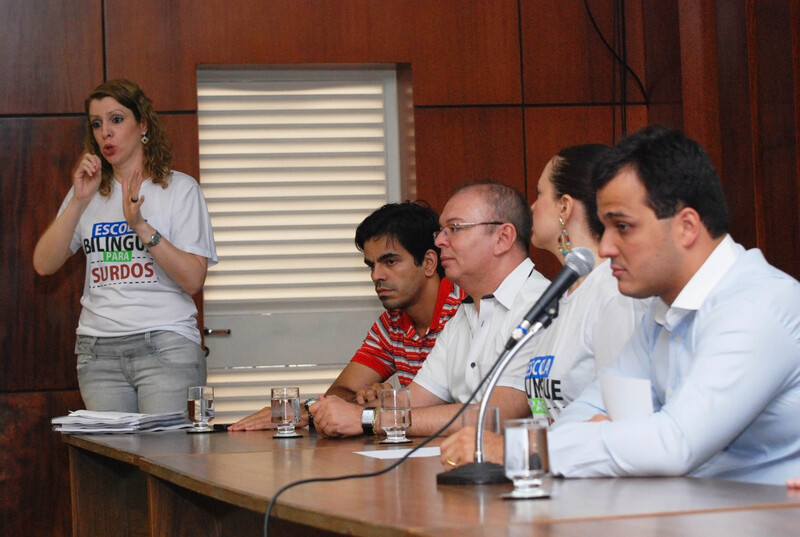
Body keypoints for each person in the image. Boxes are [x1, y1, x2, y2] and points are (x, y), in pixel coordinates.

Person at [543, 125, 800, 485]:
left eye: (623, 227)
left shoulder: (755, 305)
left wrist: (537, 451)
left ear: (687, 227)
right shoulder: (662, 312)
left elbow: (675, 443)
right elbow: (589, 407)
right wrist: (612, 438)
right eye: (604, 229)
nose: (605, 248)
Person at [439, 145, 649, 468]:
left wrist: (512, 449)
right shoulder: (560, 296)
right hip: (551, 474)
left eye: (540, 194)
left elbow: (622, 423)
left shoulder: (613, 293)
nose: (533, 206)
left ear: (565, 206)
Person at [310, 181, 551, 438]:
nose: (439, 240)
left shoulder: (541, 305)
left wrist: (367, 419)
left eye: (454, 229)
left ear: (502, 238)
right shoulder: (465, 314)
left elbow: (495, 415)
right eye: (441, 231)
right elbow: (414, 401)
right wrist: (332, 410)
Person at [33, 79, 218, 414]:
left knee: (163, 449)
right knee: (109, 451)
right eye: (97, 123)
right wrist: (79, 200)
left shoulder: (179, 189)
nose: (106, 132)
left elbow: (193, 279)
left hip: (165, 344)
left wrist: (141, 227)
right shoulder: (87, 193)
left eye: (116, 119)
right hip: (98, 352)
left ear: (142, 124)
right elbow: (44, 264)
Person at [229, 201, 464, 431]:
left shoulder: (465, 311)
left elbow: (465, 410)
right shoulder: (391, 323)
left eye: (390, 262)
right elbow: (340, 392)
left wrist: (371, 409)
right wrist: (368, 403)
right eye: (371, 265)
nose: (376, 276)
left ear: (429, 263)